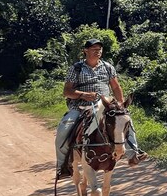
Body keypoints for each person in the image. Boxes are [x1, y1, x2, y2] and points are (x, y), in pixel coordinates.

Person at [55, 38, 147, 178]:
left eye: (99, 50)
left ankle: (133, 153)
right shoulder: (76, 68)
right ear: (85, 51)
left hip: (105, 105)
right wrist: (83, 94)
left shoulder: (108, 67)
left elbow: (116, 87)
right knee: (64, 129)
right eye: (94, 49)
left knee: (126, 121)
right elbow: (67, 92)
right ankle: (63, 166)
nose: (98, 52)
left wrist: (120, 105)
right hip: (80, 107)